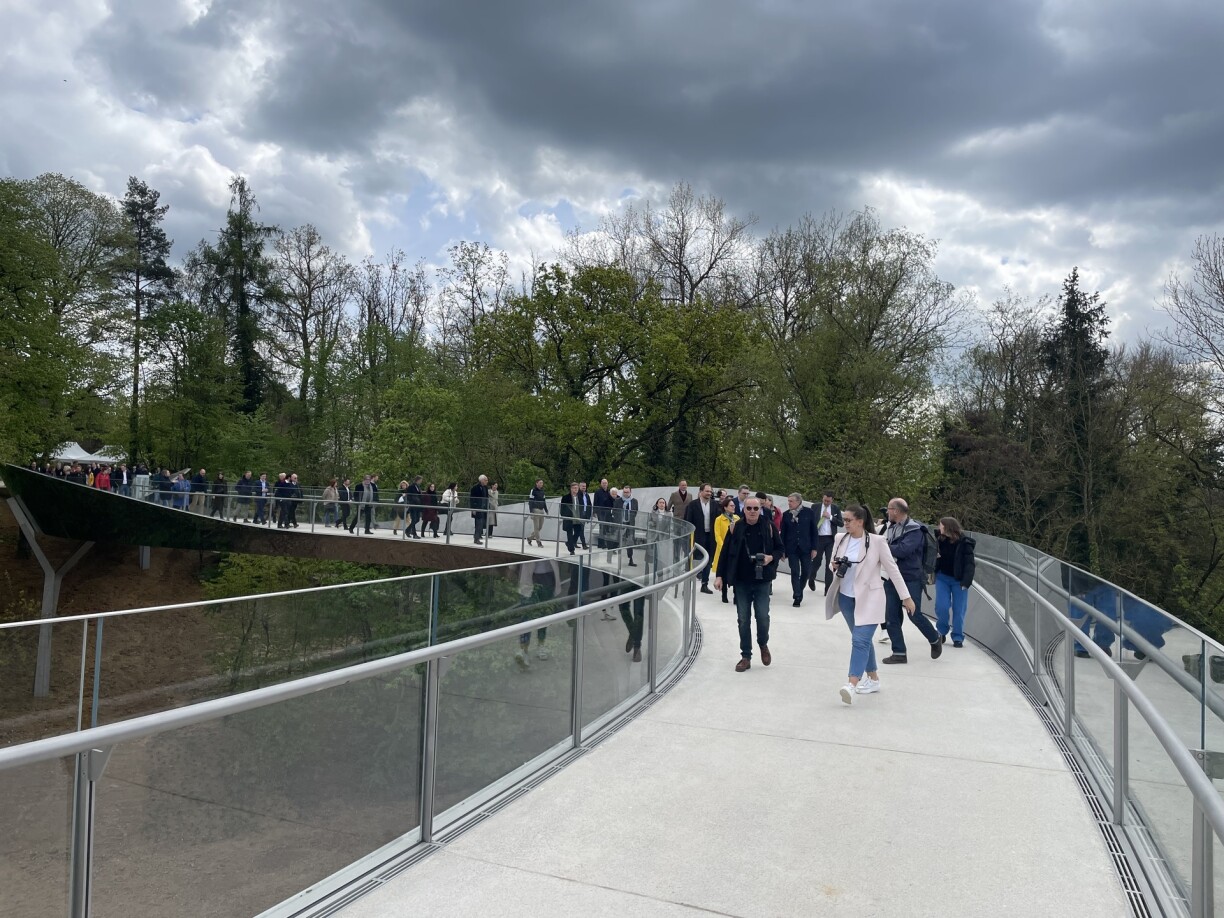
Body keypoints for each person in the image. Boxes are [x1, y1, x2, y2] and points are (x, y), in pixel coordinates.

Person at [826, 505, 915, 704]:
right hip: (846, 598)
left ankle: (851, 683)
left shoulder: (877, 542)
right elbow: (832, 563)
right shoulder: (840, 539)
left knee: (859, 641)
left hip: (870, 599)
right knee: (862, 640)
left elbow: (893, 570)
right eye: (844, 520)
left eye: (848, 520)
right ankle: (873, 679)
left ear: (860, 521)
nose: (845, 523)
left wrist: (905, 597)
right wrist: (835, 566)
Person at [715, 496, 784, 672]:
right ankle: (746, 656)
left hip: (762, 581)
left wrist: (770, 558)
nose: (752, 512)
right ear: (743, 510)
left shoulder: (769, 526)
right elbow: (725, 553)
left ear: (760, 509)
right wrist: (720, 575)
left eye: (756, 508)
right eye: (749, 508)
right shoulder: (736, 528)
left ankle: (763, 643)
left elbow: (780, 549)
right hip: (741, 581)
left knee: (762, 617)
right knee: (743, 619)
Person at [881, 497, 942, 664]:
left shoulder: (915, 530)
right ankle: (899, 653)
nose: (887, 512)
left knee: (914, 614)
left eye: (889, 509)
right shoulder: (892, 527)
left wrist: (883, 547)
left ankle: (934, 638)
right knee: (891, 616)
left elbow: (903, 550)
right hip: (893, 576)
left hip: (911, 577)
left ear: (896, 511)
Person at [934, 517, 976, 647]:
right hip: (942, 577)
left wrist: (966, 581)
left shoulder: (964, 543)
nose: (939, 528)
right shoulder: (939, 540)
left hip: (959, 580)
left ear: (947, 527)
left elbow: (970, 564)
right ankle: (941, 631)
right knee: (942, 606)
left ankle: (958, 636)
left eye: (941, 526)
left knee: (959, 609)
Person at [779, 492, 818, 607]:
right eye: (788, 501)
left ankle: (799, 590)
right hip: (792, 548)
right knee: (795, 571)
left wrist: (814, 548)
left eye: (791, 501)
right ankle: (797, 596)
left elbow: (814, 532)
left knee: (806, 571)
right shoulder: (786, 515)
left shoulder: (809, 513)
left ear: (798, 501)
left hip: (806, 547)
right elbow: (783, 534)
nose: (789, 503)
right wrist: (782, 550)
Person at [684, 483, 718, 594]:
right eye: (707, 491)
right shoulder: (692, 505)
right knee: (693, 562)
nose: (709, 493)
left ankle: (704, 584)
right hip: (697, 536)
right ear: (701, 491)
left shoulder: (714, 504)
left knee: (708, 560)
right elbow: (688, 522)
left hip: (711, 537)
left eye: (710, 491)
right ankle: (688, 586)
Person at [812, 492, 843, 593]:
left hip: (830, 539)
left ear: (832, 500)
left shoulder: (835, 508)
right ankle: (811, 577)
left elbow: (841, 523)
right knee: (817, 561)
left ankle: (827, 588)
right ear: (822, 498)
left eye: (828, 501)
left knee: (829, 564)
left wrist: (830, 517)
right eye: (825, 500)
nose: (826, 502)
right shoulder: (815, 507)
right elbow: (811, 522)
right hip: (818, 538)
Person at [712, 496, 739, 603]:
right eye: (731, 505)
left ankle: (737, 595)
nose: (734, 507)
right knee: (723, 571)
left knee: (736, 571)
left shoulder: (737, 518)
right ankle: (724, 593)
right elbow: (717, 534)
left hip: (735, 549)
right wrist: (723, 545)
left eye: (734, 505)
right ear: (725, 507)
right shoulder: (719, 519)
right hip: (724, 548)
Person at [619, 485, 640, 567]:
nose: (625, 493)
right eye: (624, 492)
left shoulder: (634, 501)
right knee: (617, 540)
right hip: (621, 523)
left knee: (630, 542)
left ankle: (630, 559)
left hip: (630, 524)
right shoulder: (618, 501)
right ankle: (610, 558)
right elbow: (615, 511)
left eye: (627, 492)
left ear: (630, 492)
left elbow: (635, 512)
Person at [559, 482, 582, 554]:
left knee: (578, 531)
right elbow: (562, 508)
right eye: (574, 488)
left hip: (578, 518)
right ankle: (571, 550)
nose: (576, 489)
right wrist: (564, 516)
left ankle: (569, 543)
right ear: (571, 489)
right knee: (569, 533)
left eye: (577, 488)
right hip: (569, 518)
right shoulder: (566, 497)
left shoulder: (580, 497)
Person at [593, 478, 614, 552]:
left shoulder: (609, 492)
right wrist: (594, 512)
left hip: (608, 512)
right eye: (603, 483)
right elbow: (595, 502)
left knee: (607, 527)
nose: (605, 484)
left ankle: (603, 543)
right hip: (600, 512)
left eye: (606, 483)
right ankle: (601, 543)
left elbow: (613, 501)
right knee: (602, 527)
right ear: (601, 484)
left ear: (607, 484)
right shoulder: (598, 492)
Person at [528, 479, 548, 547]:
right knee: (536, 527)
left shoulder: (542, 491)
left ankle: (529, 538)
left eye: (542, 483)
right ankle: (538, 542)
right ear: (536, 483)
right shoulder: (533, 490)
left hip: (541, 510)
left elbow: (544, 501)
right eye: (540, 483)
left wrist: (546, 510)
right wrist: (531, 511)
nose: (541, 484)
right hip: (535, 510)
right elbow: (530, 500)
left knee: (540, 527)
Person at [470, 475, 490, 544]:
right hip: (477, 508)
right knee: (478, 523)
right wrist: (473, 509)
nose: (487, 481)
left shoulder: (485, 488)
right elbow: (472, 499)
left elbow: (486, 498)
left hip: (483, 508)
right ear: (482, 480)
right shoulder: (475, 488)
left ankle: (477, 536)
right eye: (486, 480)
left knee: (481, 523)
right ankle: (476, 538)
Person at [406, 475, 424, 539]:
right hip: (413, 505)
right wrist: (411, 501)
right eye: (420, 480)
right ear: (418, 480)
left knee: (417, 519)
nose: (421, 481)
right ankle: (414, 534)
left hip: (417, 505)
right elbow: (408, 495)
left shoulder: (418, 486)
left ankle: (407, 530)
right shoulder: (411, 486)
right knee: (414, 519)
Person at [576, 481, 592, 549]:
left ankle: (572, 542)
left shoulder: (586, 495)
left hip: (585, 514)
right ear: (579, 487)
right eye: (582, 486)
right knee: (581, 529)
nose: (584, 488)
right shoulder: (577, 495)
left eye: (585, 486)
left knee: (578, 529)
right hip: (579, 514)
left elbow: (589, 505)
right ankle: (584, 544)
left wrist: (589, 515)